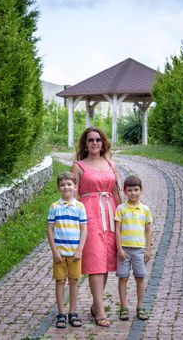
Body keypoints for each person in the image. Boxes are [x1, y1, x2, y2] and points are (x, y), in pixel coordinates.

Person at [71, 127, 121, 327]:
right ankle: (100, 310)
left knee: (107, 260)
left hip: (109, 213)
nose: (94, 143)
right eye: (90, 140)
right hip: (89, 216)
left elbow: (116, 191)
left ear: (103, 143)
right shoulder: (78, 166)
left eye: (98, 140)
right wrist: (74, 221)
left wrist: (121, 217)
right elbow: (73, 196)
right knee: (95, 261)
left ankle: (95, 304)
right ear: (85, 143)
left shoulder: (110, 163)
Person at [47, 172, 87, 328]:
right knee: (59, 282)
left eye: (69, 184)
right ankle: (61, 313)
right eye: (63, 185)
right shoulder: (54, 207)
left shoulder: (80, 207)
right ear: (58, 188)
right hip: (60, 254)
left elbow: (84, 229)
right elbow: (49, 229)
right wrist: (54, 251)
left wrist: (80, 250)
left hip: (75, 254)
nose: (66, 187)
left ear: (75, 187)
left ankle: (72, 312)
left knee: (74, 281)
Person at [115, 175, 152, 321]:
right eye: (130, 190)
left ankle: (140, 306)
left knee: (140, 277)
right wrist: (119, 249)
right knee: (123, 278)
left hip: (139, 250)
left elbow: (148, 230)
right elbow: (117, 229)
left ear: (141, 190)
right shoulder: (121, 209)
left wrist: (148, 249)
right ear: (124, 191)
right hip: (124, 250)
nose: (133, 193)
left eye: (136, 190)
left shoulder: (145, 209)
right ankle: (123, 307)